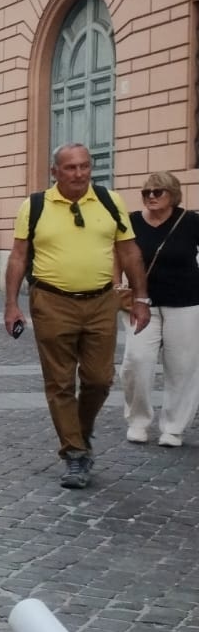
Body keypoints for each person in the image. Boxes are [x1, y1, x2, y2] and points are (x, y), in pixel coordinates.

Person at [3, 142, 147, 490]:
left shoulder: (110, 201)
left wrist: (141, 297)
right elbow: (19, 256)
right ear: (55, 172)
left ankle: (78, 434)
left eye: (84, 166)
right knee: (60, 382)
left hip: (101, 301)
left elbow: (129, 251)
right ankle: (75, 454)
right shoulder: (35, 205)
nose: (79, 173)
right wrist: (11, 303)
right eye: (70, 168)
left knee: (100, 379)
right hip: (52, 301)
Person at [119, 171, 199, 447]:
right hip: (142, 303)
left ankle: (173, 428)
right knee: (137, 361)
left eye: (157, 192)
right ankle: (138, 421)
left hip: (186, 302)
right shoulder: (131, 222)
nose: (150, 197)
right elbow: (117, 253)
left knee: (183, 367)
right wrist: (116, 285)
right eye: (146, 192)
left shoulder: (190, 221)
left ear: (173, 195)